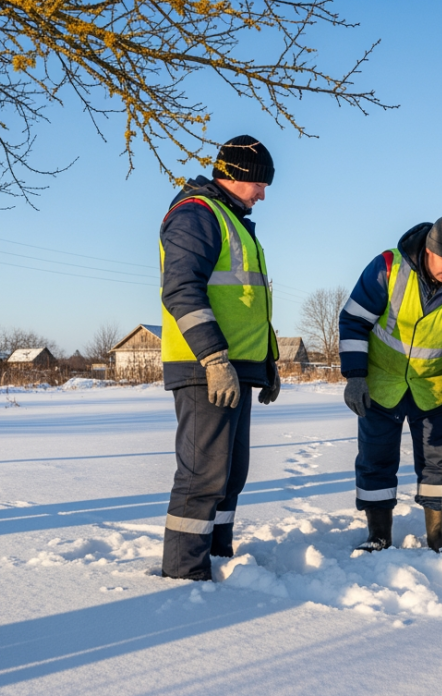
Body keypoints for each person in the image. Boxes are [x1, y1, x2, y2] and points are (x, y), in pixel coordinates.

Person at [158, 135, 280, 581]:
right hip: (203, 369)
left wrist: (265, 364)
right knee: (202, 475)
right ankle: (185, 573)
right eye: (259, 184)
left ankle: (217, 555)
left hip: (236, 369)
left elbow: (246, 302)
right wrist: (212, 357)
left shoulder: (233, 220)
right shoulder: (196, 215)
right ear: (235, 176)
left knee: (230, 474)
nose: (263, 194)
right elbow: (181, 290)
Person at [337, 215, 442, 557]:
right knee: (376, 459)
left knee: (440, 462)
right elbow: (353, 320)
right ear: (430, 249)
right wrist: (355, 376)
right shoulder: (388, 268)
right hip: (380, 384)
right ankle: (378, 535)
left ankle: (440, 538)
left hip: (434, 391)